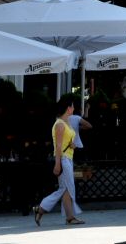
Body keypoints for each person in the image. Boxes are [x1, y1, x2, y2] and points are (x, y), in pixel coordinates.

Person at [33, 95, 84, 226]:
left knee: (65, 188)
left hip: (67, 158)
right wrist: (57, 164)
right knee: (66, 188)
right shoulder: (60, 124)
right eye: (72, 106)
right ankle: (63, 215)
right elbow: (58, 146)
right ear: (68, 108)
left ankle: (46, 210)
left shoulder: (65, 123)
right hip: (63, 159)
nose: (74, 108)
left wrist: (73, 145)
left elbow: (65, 142)